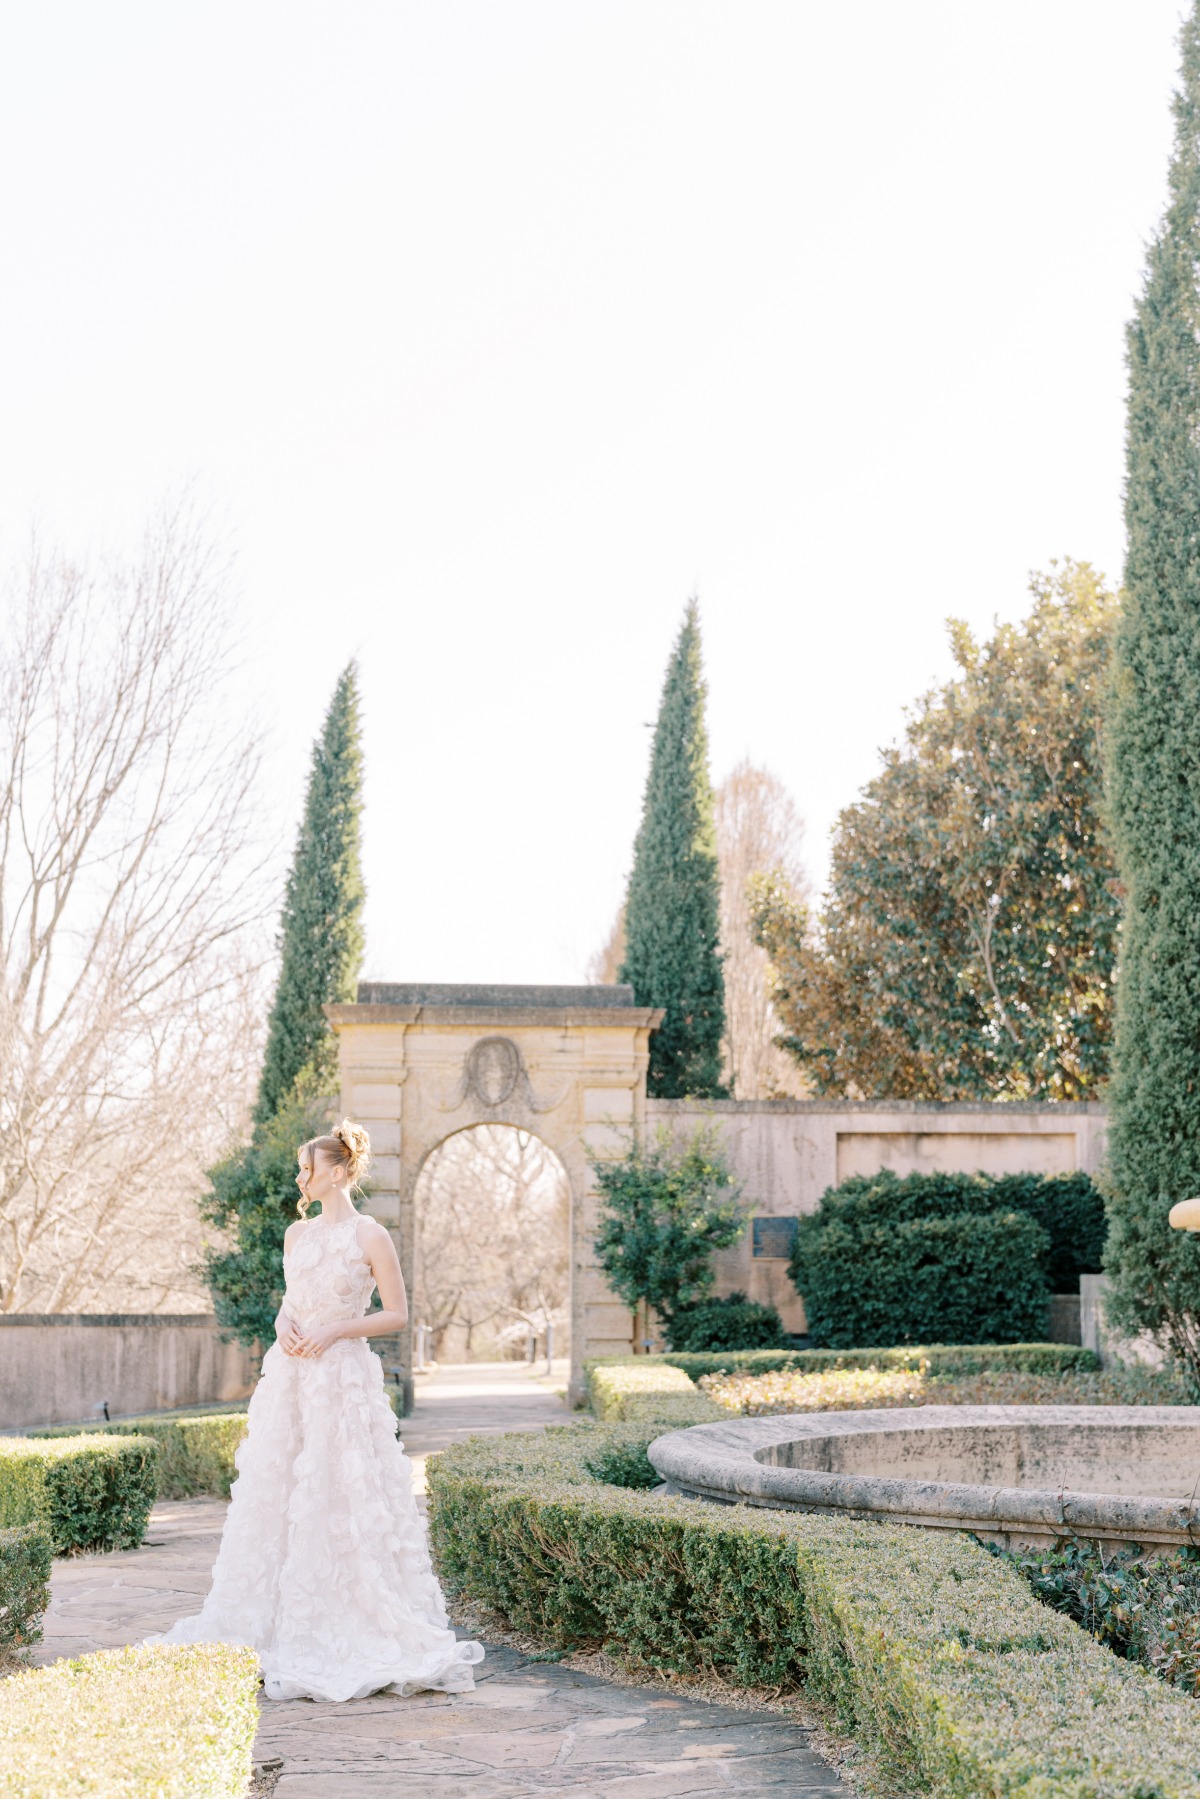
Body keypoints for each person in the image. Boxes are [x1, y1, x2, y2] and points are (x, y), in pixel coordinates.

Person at [149, 1118, 483, 1703]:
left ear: (337, 1172)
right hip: (290, 1375)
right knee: (279, 1487)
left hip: (341, 1376)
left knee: (341, 1488)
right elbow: (287, 1303)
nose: (300, 1176)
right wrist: (286, 1326)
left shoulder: (370, 1236)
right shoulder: (295, 1235)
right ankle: (271, 1619)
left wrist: (333, 1331)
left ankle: (349, 1617)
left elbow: (397, 1314)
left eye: (307, 1167)